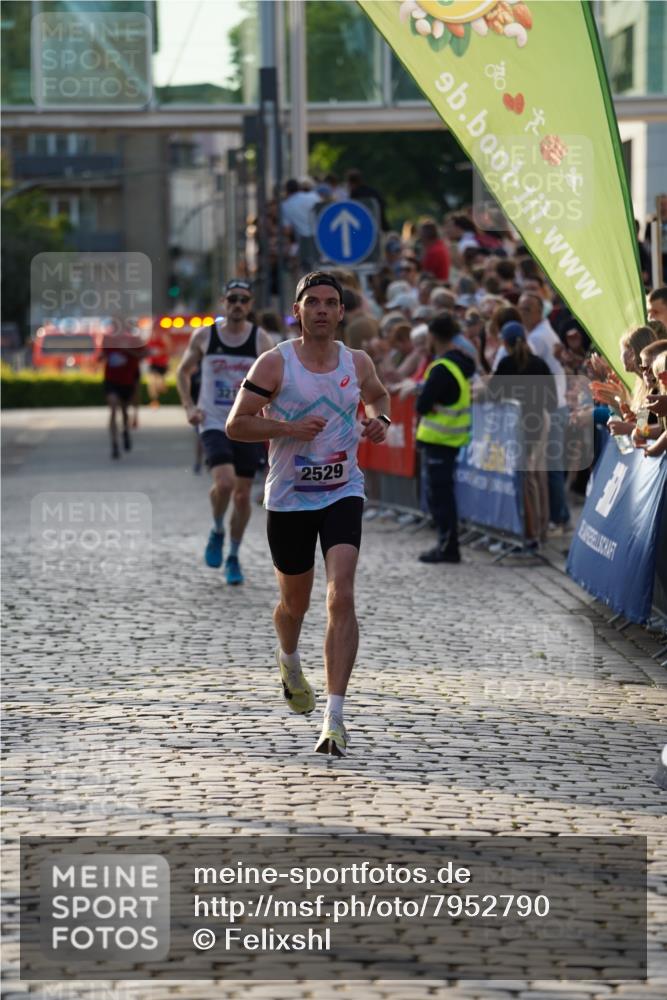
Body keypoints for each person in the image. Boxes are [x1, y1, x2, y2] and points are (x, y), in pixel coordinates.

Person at [225, 271, 390, 757]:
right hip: (290, 499)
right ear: (296, 311)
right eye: (311, 302)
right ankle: (290, 660)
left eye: (330, 302)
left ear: (342, 313)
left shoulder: (356, 362)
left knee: (341, 595)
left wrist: (379, 420)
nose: (321, 309)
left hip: (343, 492)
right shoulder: (275, 364)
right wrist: (288, 427)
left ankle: (334, 718)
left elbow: (378, 395)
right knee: (294, 606)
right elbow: (237, 425)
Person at [176, 279, 274, 584]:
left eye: (243, 300)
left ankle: (233, 554)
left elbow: (277, 381)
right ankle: (218, 528)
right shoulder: (205, 336)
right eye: (232, 298)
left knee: (243, 497)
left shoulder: (261, 341)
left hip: (246, 422)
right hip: (214, 421)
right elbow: (182, 371)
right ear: (223, 301)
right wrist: (189, 407)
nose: (237, 305)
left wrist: (271, 417)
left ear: (250, 304)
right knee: (225, 482)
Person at [487, 322, 557, 547]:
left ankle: (531, 533)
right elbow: (552, 400)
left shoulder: (507, 364)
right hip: (539, 421)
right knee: (538, 478)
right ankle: (541, 529)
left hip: (519, 425)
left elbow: (493, 395)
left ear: (505, 344)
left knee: (526, 480)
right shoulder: (539, 363)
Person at [415, 312, 475, 564]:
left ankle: (448, 547)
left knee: (440, 497)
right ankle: (446, 544)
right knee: (442, 495)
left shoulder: (441, 368)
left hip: (440, 441)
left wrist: (424, 398)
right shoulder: (461, 362)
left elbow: (422, 404)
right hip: (450, 441)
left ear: (431, 336)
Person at [102, 337, 144, 459]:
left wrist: (128, 350)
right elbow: (103, 355)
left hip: (127, 381)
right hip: (111, 381)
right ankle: (114, 444)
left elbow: (142, 355)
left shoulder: (134, 339)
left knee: (124, 410)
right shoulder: (107, 340)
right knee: (113, 409)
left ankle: (125, 431)